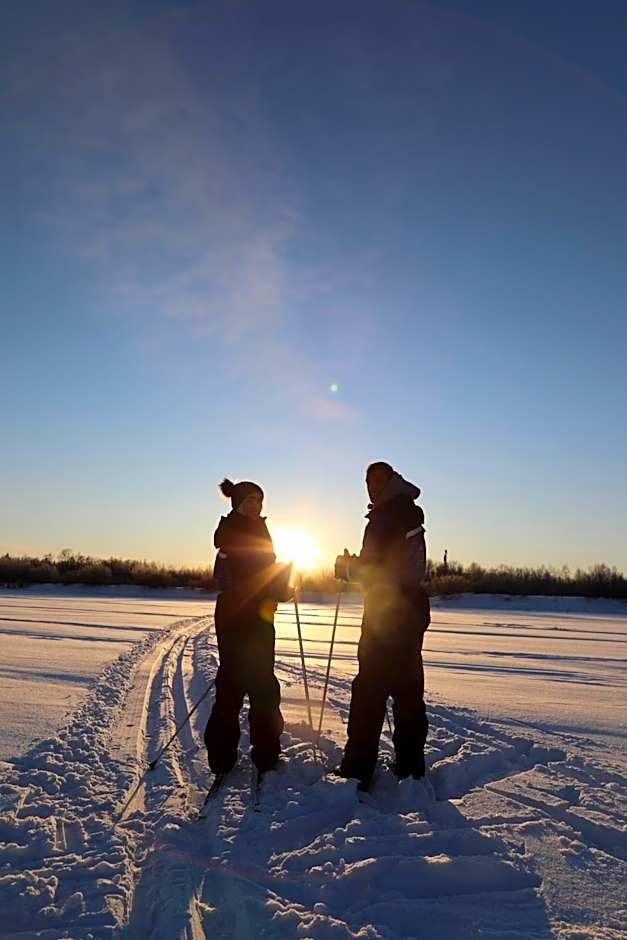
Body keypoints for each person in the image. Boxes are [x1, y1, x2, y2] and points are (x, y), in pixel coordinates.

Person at [335, 461, 430, 789]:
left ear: (391, 482)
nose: (372, 487)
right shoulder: (405, 512)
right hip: (408, 610)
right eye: (368, 482)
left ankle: (357, 769)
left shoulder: (390, 515)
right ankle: (410, 766)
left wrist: (348, 568)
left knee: (370, 690)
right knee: (407, 688)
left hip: (389, 612)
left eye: (379, 481)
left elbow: (383, 570)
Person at [204, 478, 291, 778]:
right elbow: (223, 579)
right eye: (250, 500)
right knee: (231, 684)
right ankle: (221, 757)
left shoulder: (261, 531)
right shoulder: (229, 533)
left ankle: (266, 754)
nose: (256, 505)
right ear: (238, 503)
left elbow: (267, 574)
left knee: (263, 684)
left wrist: (281, 587)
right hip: (234, 616)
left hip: (261, 616)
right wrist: (259, 590)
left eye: (259, 500)